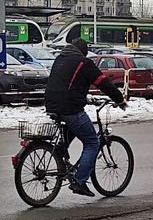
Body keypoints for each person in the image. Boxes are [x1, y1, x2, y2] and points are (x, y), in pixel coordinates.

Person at [44, 37, 127, 197]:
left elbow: (66, 84)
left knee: (73, 129)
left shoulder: (60, 59)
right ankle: (79, 181)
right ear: (83, 52)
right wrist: (119, 99)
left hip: (52, 104)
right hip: (70, 107)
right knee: (92, 143)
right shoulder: (83, 63)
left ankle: (60, 153)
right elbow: (103, 82)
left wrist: (84, 97)